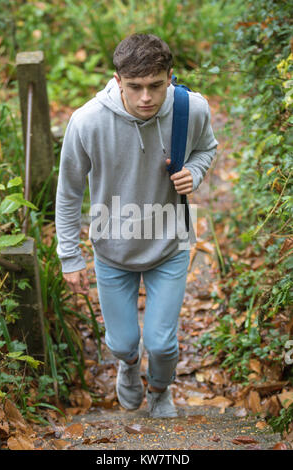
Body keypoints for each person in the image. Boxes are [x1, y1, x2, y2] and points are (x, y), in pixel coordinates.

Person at [55, 33, 218, 418]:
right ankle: (128, 368)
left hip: (170, 237)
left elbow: (207, 148)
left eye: (156, 86)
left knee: (161, 344)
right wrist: (69, 256)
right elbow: (68, 192)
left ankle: (160, 391)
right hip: (113, 243)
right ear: (117, 81)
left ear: (170, 78)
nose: (146, 97)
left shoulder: (190, 109)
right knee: (124, 341)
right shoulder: (87, 122)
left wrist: (193, 173)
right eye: (135, 87)